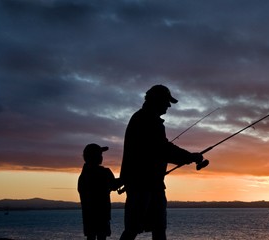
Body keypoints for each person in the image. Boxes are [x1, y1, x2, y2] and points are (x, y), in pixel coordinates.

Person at [119, 85, 204, 240]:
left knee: (156, 227)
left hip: (151, 183)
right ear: (157, 100)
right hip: (142, 183)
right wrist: (190, 157)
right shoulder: (147, 120)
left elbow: (162, 149)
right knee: (136, 228)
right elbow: (162, 149)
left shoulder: (144, 118)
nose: (169, 105)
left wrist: (187, 157)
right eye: (167, 101)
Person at [78, 143, 123, 240]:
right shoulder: (104, 172)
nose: (101, 157)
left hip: (88, 217)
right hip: (102, 215)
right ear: (96, 157)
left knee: (91, 237)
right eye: (100, 155)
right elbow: (114, 185)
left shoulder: (82, 176)